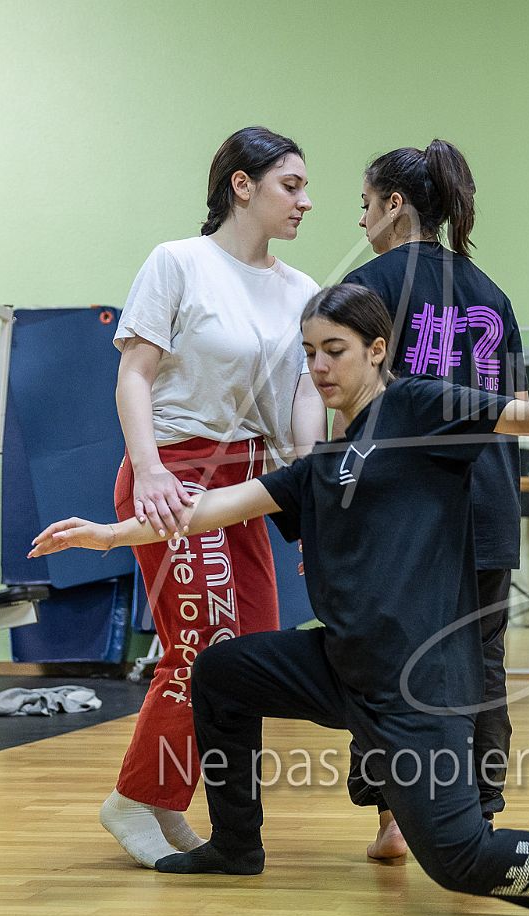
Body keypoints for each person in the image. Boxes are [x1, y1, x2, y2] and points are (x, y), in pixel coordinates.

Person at [29, 284, 529, 916]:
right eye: (309, 353)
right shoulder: (319, 466)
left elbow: (520, 414)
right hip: (343, 665)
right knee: (221, 671)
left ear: (376, 350)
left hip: (419, 685)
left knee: (461, 860)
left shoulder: (416, 408)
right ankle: (236, 845)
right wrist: (108, 535)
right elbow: (209, 509)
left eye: (334, 350)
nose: (319, 368)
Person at [101, 126, 324, 867]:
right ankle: (136, 798)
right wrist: (150, 469)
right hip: (175, 467)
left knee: (249, 652)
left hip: (251, 479)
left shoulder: (302, 291)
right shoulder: (178, 263)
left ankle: (169, 800)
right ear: (242, 186)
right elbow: (134, 375)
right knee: (199, 648)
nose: (306, 201)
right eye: (291, 185)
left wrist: (310, 487)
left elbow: (303, 396)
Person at [341, 140, 528, 858]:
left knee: (388, 660)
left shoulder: (367, 287)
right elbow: (512, 411)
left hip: (403, 512)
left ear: (395, 205)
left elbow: (349, 409)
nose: (361, 219)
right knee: (481, 661)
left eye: (365, 203)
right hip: (487, 502)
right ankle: (479, 811)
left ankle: (394, 816)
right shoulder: (492, 294)